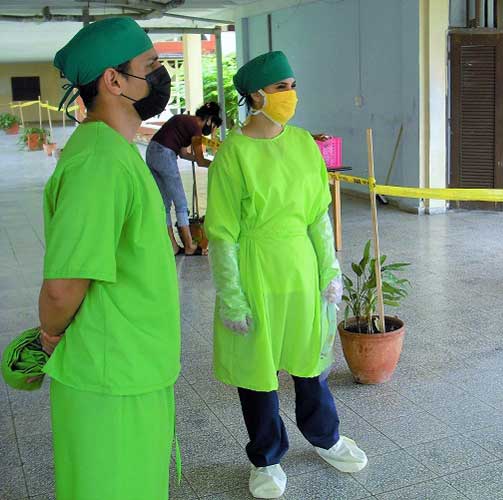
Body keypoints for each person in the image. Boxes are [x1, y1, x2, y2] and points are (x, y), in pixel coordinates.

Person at [204, 50, 367, 499]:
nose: (290, 95)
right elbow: (221, 233)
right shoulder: (233, 153)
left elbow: (318, 215)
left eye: (293, 86)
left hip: (301, 267)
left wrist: (329, 270)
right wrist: (232, 296)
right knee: (257, 372)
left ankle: (326, 436)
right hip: (256, 270)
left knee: (310, 362)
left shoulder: (301, 145)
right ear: (256, 96)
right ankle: (266, 456)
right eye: (281, 88)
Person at [39, 17, 181, 499]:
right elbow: (64, 285)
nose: (161, 76)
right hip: (109, 378)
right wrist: (51, 334)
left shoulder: (118, 151)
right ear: (114, 79)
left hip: (132, 367)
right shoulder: (98, 161)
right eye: (152, 65)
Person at [146, 102, 222, 256]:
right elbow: (200, 160)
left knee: (165, 203)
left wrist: (202, 159)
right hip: (165, 154)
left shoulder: (184, 119)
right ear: (209, 119)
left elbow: (184, 154)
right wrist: (218, 164)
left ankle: (172, 246)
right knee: (180, 203)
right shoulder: (195, 127)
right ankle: (189, 245)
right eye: (214, 126)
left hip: (152, 152)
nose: (212, 130)